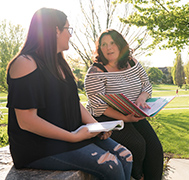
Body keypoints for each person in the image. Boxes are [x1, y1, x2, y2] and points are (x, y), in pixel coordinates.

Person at [6, 8, 132, 180]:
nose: (70, 35)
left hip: (72, 134)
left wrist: (97, 126)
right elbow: (27, 121)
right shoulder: (25, 63)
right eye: (68, 29)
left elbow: (73, 102)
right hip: (40, 147)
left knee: (126, 156)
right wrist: (72, 137)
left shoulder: (59, 63)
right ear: (56, 30)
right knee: (111, 165)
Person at [84, 29, 163, 180]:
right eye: (104, 44)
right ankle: (138, 176)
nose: (108, 48)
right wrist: (124, 119)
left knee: (155, 149)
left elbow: (146, 85)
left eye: (112, 43)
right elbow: (98, 105)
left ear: (120, 45)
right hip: (107, 118)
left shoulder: (132, 62)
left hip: (133, 113)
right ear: (99, 48)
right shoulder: (96, 72)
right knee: (137, 145)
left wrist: (142, 98)